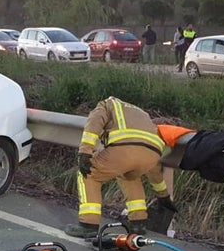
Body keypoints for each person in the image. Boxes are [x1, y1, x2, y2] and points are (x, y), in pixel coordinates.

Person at [64, 97, 194, 238]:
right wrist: (163, 196)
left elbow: (95, 122)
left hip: (123, 149)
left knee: (88, 175)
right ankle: (138, 223)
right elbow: (154, 171)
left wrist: (85, 151)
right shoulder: (142, 115)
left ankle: (88, 224)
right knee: (130, 175)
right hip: (153, 153)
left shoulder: (106, 104)